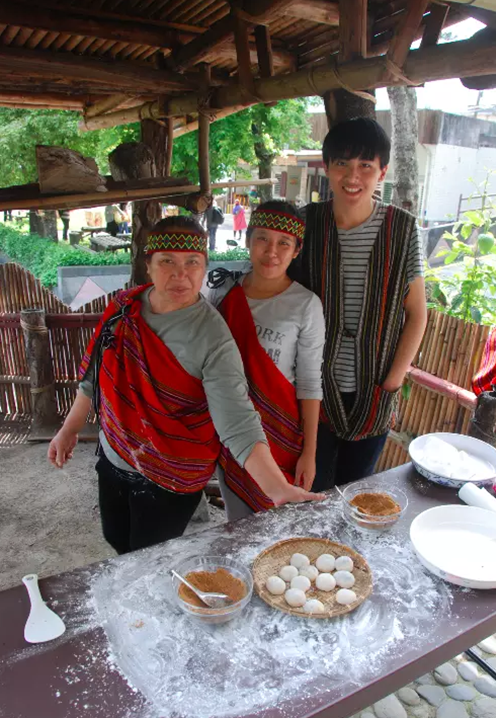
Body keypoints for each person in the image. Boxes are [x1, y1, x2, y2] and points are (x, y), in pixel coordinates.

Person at [47, 216, 322, 554]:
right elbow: (94, 376)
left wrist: (276, 488)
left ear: (205, 268)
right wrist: (70, 428)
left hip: (173, 476)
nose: (181, 274)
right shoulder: (123, 310)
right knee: (116, 540)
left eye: (192, 262)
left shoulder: (213, 337)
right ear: (148, 266)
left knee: (147, 559)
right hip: (115, 455)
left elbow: (236, 420)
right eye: (167, 262)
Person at [290, 117, 427, 490]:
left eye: (366, 165)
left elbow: (417, 313)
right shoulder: (307, 223)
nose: (353, 176)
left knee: (356, 490)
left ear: (382, 171)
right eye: (342, 164)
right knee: (311, 489)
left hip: (375, 387)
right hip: (313, 387)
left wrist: (392, 381)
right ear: (327, 168)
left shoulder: (402, 229)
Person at [208, 200, 325, 520]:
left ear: (296, 250)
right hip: (231, 431)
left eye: (283, 243)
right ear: (247, 240)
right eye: (262, 239)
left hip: (283, 435)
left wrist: (309, 453)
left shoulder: (306, 305)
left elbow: (311, 383)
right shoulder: (221, 293)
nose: (271, 251)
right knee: (238, 523)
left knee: (277, 525)